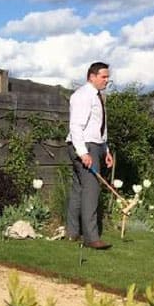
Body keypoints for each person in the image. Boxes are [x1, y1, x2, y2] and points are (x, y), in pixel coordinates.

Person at [66, 62, 114, 250]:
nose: (107, 80)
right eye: (103, 77)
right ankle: (91, 238)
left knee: (79, 190)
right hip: (85, 146)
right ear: (91, 76)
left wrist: (106, 151)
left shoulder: (98, 96)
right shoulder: (83, 96)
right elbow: (76, 126)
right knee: (91, 191)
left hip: (95, 146)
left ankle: (71, 233)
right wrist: (83, 152)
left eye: (108, 77)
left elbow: (99, 127)